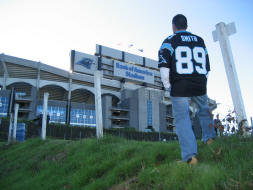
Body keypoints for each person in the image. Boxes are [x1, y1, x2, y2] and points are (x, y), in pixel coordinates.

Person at [158, 14, 216, 165]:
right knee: (204, 110)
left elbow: (164, 67)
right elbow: (207, 67)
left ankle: (190, 157)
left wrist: (168, 87)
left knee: (183, 119)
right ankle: (210, 140)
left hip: (180, 85)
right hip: (199, 83)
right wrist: (202, 83)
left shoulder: (169, 41)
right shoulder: (200, 40)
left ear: (173, 26)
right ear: (186, 25)